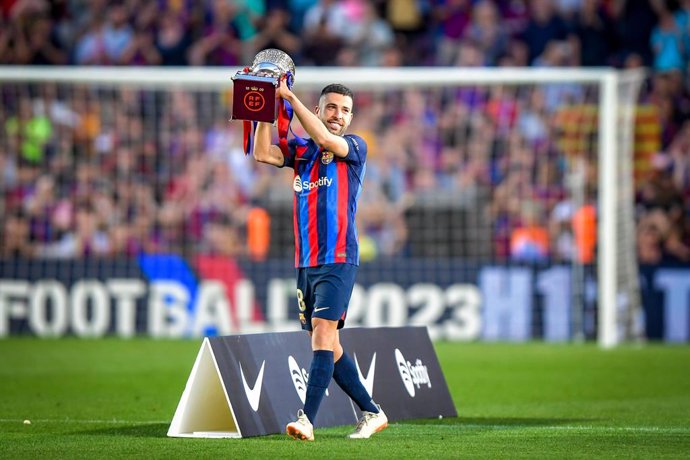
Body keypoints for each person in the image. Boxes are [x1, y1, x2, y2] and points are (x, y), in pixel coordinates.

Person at [252, 79, 388, 441]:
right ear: (319, 110)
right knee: (328, 342)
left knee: (323, 334)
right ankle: (373, 412)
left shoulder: (355, 147)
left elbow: (328, 142)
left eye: (344, 110)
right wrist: (267, 110)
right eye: (331, 107)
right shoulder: (301, 151)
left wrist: (289, 98)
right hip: (306, 260)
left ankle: (307, 420)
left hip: (339, 257)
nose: (337, 116)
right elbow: (262, 154)